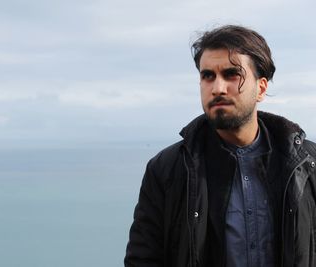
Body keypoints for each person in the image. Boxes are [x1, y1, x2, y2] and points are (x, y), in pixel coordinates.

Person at [124, 25, 316, 267]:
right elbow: (143, 260)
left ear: (261, 88)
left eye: (231, 74)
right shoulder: (167, 170)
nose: (217, 88)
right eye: (208, 76)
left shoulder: (308, 164)